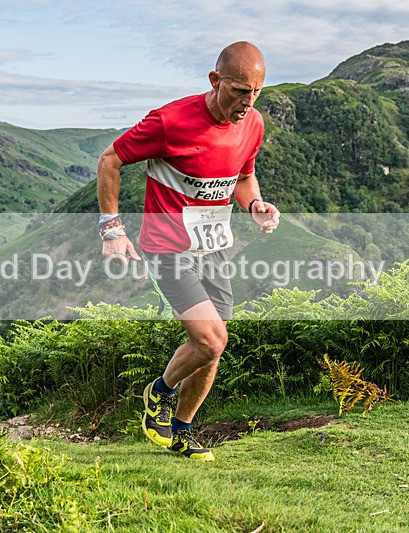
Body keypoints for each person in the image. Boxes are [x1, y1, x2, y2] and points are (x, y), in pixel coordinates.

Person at [97, 41, 280, 461]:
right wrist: (111, 228)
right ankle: (158, 392)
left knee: (213, 347)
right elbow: (110, 160)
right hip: (167, 249)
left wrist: (255, 205)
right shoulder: (170, 121)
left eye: (256, 92)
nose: (248, 102)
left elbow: (242, 177)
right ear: (215, 80)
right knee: (211, 340)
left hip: (213, 249)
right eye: (239, 91)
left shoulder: (253, 123)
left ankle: (182, 430)